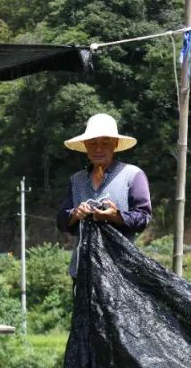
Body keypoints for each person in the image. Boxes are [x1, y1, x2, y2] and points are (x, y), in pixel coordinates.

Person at [56, 113, 152, 277]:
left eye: (105, 143)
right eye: (92, 143)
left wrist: (115, 216)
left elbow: (143, 217)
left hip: (121, 272)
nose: (98, 149)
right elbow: (61, 222)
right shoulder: (76, 180)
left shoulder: (132, 175)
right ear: (85, 145)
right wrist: (75, 214)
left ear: (114, 144)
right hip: (83, 271)